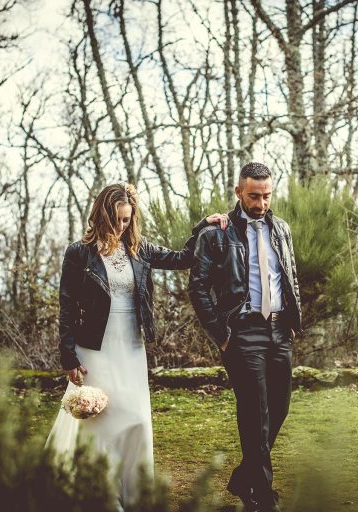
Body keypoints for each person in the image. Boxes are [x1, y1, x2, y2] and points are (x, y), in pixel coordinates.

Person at [46, 183, 227, 509]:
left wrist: (203, 226)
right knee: (101, 424)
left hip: (131, 346)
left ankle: (135, 495)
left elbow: (182, 259)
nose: (121, 226)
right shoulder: (78, 253)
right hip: (95, 349)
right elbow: (67, 306)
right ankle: (103, 497)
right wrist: (68, 356)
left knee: (136, 420)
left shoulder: (139, 249)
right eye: (116, 219)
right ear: (102, 214)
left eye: (127, 220)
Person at [188, 162, 302, 512]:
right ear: (239, 192)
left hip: (279, 330)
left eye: (267, 196)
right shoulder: (217, 233)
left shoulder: (281, 229)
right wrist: (220, 333)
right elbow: (198, 287)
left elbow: (290, 275)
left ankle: (243, 477)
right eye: (254, 196)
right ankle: (261, 495)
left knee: (279, 408)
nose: (261, 203)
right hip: (242, 332)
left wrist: (294, 319)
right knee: (256, 412)